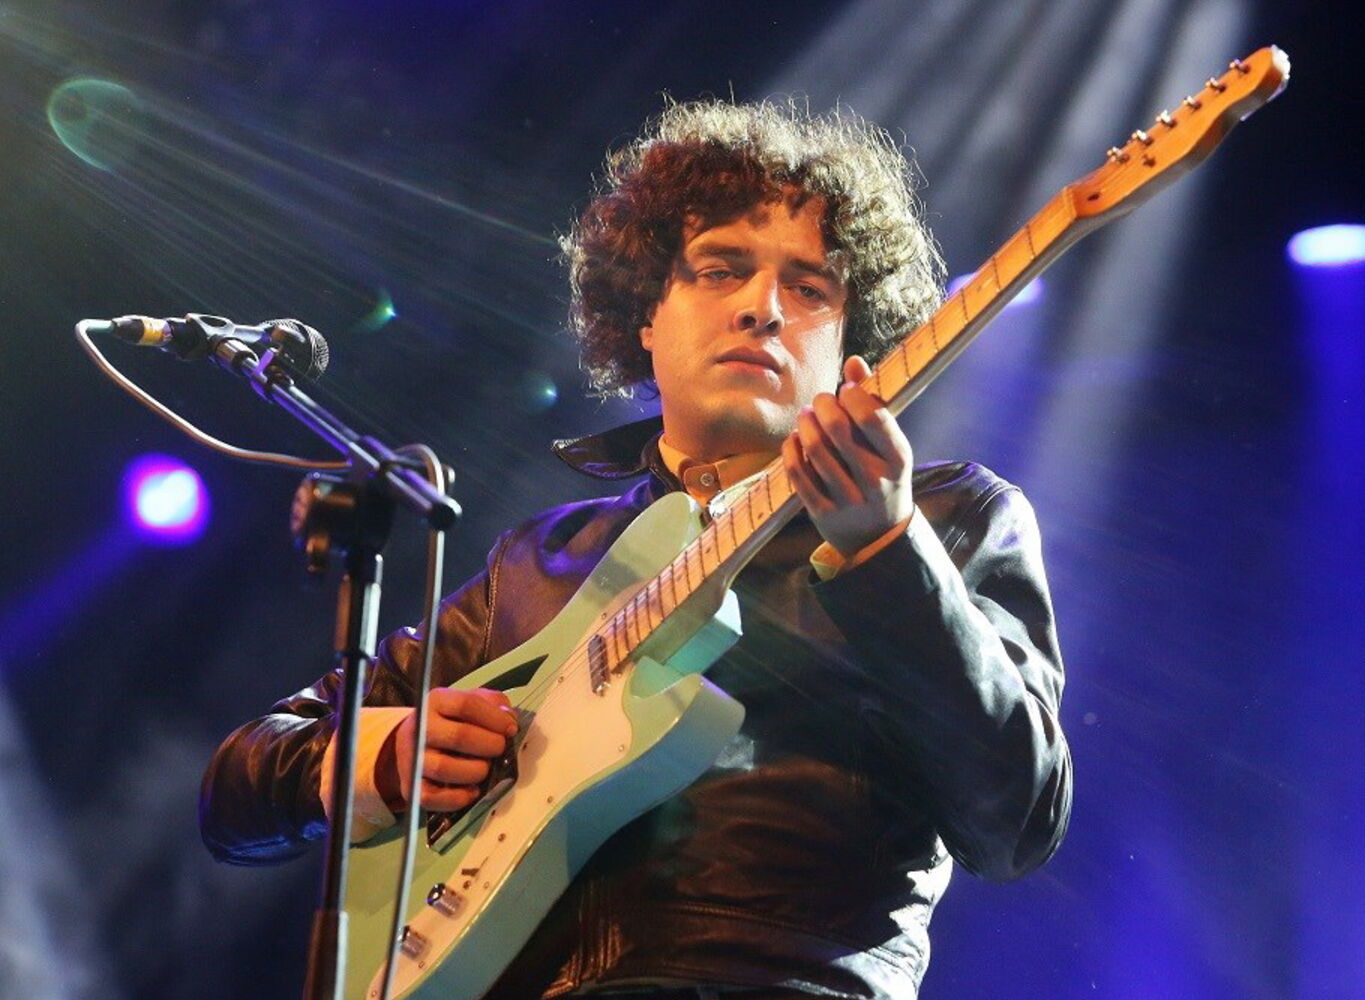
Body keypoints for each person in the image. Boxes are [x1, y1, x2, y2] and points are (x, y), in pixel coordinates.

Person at [200, 99, 1072, 1000]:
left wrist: (885, 549)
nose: (763, 309)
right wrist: (381, 758)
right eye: (720, 270)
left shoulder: (948, 516)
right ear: (647, 313)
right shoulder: (541, 560)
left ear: (855, 342)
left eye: (811, 289)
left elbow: (1018, 825)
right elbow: (235, 789)